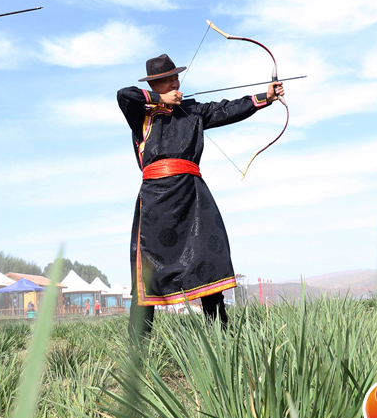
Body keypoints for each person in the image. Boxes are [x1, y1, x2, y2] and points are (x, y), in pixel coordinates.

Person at [117, 54, 283, 336]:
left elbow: (227, 109)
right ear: (154, 85)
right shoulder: (141, 113)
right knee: (148, 274)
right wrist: (160, 100)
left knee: (209, 260)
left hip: (193, 196)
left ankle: (221, 338)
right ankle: (138, 348)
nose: (176, 83)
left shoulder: (193, 111)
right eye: (168, 80)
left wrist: (264, 97)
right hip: (156, 200)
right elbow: (124, 94)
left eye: (176, 78)